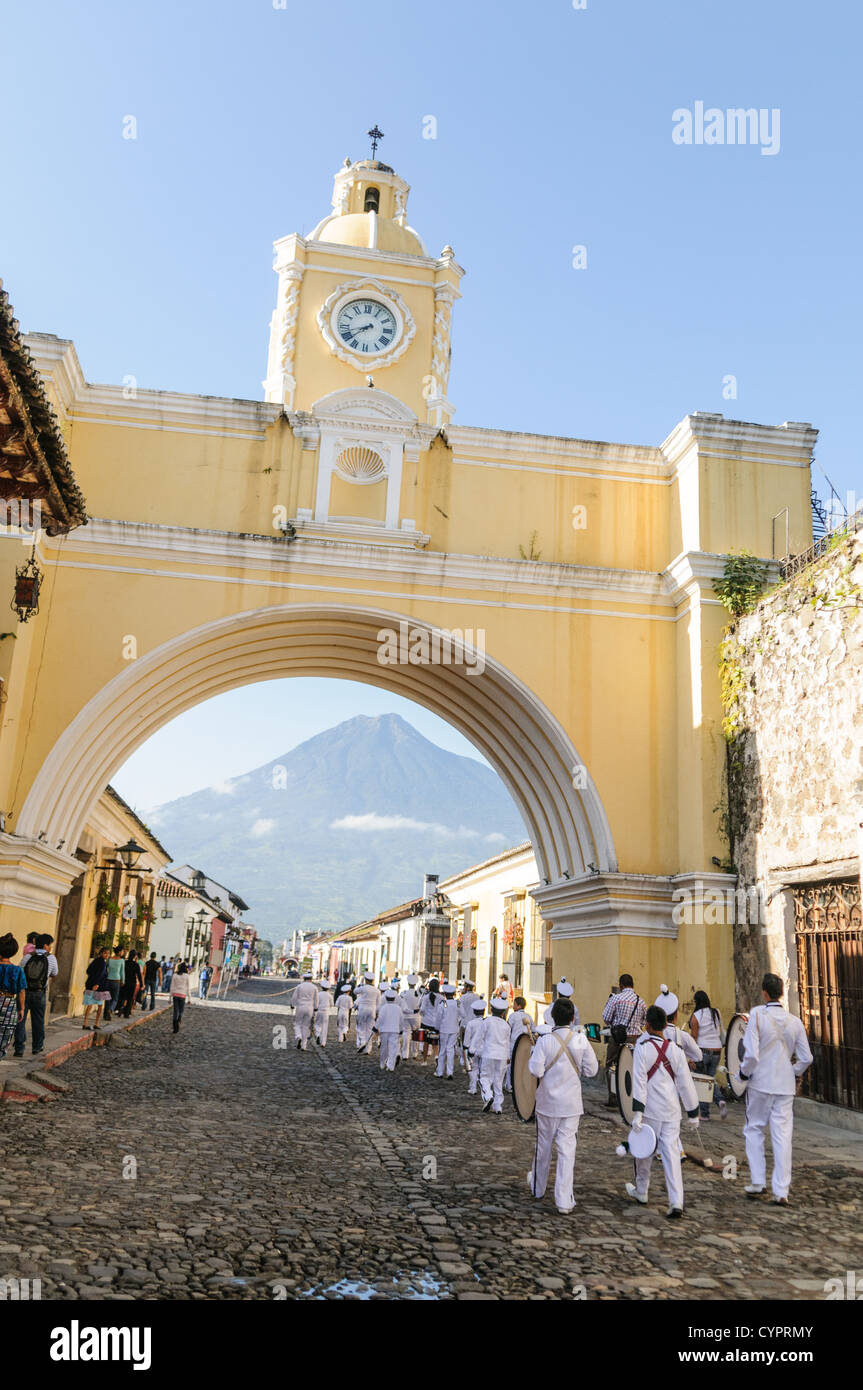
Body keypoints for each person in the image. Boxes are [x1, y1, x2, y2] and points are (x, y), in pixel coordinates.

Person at [739, 972, 813, 1206]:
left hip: (760, 1082)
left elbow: (751, 1053)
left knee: (754, 1129)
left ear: (764, 992)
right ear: (781, 992)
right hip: (784, 1086)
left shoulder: (758, 1015)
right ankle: (781, 1190)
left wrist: (743, 1073)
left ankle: (758, 1181)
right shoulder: (795, 1021)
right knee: (782, 1137)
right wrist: (793, 1072)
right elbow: (806, 1057)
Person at [625, 1004, 700, 1219]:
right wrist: (692, 1112)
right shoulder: (675, 1051)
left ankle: (642, 1190)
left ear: (647, 1025)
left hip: (650, 1109)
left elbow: (639, 1079)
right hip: (672, 1111)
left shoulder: (642, 1047)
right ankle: (676, 1201)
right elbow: (685, 1083)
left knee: (643, 1152)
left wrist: (637, 1111)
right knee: (671, 1155)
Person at [527, 998, 599, 1213]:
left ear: (551, 1018)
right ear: (572, 1018)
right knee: (567, 1151)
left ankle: (538, 1189)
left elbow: (535, 1071)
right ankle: (564, 1201)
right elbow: (592, 1071)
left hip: (547, 1103)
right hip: (570, 1105)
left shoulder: (545, 1041)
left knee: (544, 1148)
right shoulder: (579, 1040)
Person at [601, 974, 646, 1108]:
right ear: (633, 985)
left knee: (611, 1066)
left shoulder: (616, 999)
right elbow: (644, 1021)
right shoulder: (641, 1001)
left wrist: (616, 1023)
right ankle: (631, 1097)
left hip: (617, 1038)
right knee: (633, 1067)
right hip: (635, 1039)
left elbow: (606, 1017)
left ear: (621, 985)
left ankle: (613, 1098)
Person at [13, 932, 58, 1057]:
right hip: (40, 993)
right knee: (38, 1020)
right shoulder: (51, 958)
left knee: (20, 1020)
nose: (50, 947)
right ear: (45, 945)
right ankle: (37, 1046)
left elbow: (19, 971)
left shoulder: (28, 957)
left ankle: (19, 1048)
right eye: (50, 945)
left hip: (25, 992)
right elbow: (55, 973)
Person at [689, 989, 727, 1119]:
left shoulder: (696, 1016)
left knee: (703, 1081)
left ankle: (705, 1113)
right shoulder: (716, 1012)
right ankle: (720, 1101)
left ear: (696, 1002)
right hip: (717, 1050)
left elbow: (694, 1037)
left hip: (703, 1051)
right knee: (710, 1079)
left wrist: (690, 1055)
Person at [478, 996, 510, 1114]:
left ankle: (488, 1096)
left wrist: (472, 1049)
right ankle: (498, 1106)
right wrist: (508, 1056)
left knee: (484, 1077)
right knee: (498, 1080)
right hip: (502, 1055)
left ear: (491, 1010)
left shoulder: (487, 1022)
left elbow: (479, 1037)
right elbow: (507, 1042)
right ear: (503, 1013)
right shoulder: (506, 1025)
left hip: (489, 1053)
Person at [0, 935, 26, 1062]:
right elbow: (21, 991)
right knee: (4, 1036)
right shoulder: (17, 970)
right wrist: (22, 1009)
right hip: (9, 1006)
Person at [434, 983, 460, 1079]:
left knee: (442, 1050)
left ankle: (440, 1072)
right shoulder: (457, 1003)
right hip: (454, 1029)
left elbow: (439, 1017)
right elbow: (463, 1014)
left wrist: (437, 1027)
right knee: (450, 1050)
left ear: (444, 993)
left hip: (444, 1029)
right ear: (453, 994)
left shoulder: (443, 1004)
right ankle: (450, 1072)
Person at [82, 947, 111, 1031]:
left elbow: (88, 971)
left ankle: (85, 1023)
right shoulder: (102, 963)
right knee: (100, 1006)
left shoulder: (95, 961)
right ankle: (96, 1023)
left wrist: (92, 980)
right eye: (105, 953)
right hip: (99, 986)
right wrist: (97, 983)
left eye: (108, 953)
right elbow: (101, 974)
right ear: (101, 953)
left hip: (91, 985)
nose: (107, 955)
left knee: (90, 1005)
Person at [463, 995, 486, 1095]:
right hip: (485, 1049)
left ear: (474, 1012)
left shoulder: (470, 1023)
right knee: (483, 1070)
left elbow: (466, 1040)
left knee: (473, 1069)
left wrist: (465, 1048)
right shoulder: (487, 1022)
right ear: (484, 1012)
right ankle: (484, 1088)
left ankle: (473, 1088)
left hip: (473, 1049)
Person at [375, 988, 402, 1072]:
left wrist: (376, 1027)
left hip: (384, 1030)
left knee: (384, 1048)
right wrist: (401, 1029)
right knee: (393, 1048)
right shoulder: (398, 1008)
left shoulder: (384, 1007)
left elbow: (380, 1018)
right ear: (394, 998)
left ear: (386, 998)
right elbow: (401, 1020)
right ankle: (391, 1065)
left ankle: (382, 1063)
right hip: (395, 1030)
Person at [354, 973, 381, 1054]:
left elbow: (355, 991)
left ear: (366, 979)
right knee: (369, 1029)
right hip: (372, 1010)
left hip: (363, 1008)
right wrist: (376, 1014)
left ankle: (362, 1042)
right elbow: (378, 1004)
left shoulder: (363, 988)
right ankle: (368, 1049)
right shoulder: (377, 990)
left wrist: (361, 984)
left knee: (360, 1027)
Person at [292, 971, 318, 1051]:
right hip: (309, 1008)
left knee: (297, 1023)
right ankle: (304, 1046)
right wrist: (316, 1008)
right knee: (306, 1026)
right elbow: (316, 999)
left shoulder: (299, 986)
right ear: (311, 979)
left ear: (304, 978)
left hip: (300, 1007)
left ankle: (298, 1036)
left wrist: (292, 1005)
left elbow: (294, 997)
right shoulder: (314, 987)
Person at [418, 977, 441, 1066]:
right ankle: (436, 1057)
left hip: (426, 1022)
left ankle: (424, 1061)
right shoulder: (442, 997)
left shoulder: (426, 997)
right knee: (435, 1042)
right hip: (436, 1023)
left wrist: (422, 1014)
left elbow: (422, 1010)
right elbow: (445, 1007)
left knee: (426, 1043)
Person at [399, 973, 421, 1060]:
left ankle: (405, 1054)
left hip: (406, 1016)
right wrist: (415, 1010)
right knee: (415, 1034)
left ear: (408, 983)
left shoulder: (403, 993)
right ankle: (415, 1053)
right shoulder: (419, 994)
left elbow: (403, 1008)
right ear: (415, 984)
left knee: (406, 1034)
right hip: (416, 1017)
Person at [117, 949, 143, 1019]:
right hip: (132, 983)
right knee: (130, 998)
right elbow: (139, 975)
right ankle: (126, 1013)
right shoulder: (136, 965)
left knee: (123, 997)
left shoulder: (125, 962)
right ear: (135, 956)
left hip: (125, 982)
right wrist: (141, 984)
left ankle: (120, 1009)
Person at [170, 961, 192, 1034]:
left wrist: (169, 997)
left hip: (175, 995)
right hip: (182, 995)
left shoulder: (175, 975)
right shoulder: (187, 976)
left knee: (175, 1011)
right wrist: (189, 999)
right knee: (181, 1011)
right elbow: (188, 988)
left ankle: (175, 1027)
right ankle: (179, 1020)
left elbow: (172, 986)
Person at [106, 948, 125, 1020]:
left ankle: (106, 1014)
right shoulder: (121, 960)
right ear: (119, 952)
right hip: (116, 980)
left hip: (108, 979)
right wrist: (123, 981)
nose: (123, 953)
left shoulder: (109, 959)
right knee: (115, 998)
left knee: (107, 998)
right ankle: (110, 1010)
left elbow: (106, 967)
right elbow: (122, 972)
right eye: (122, 951)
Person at [314, 980, 332, 1047]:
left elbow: (315, 1003)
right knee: (325, 1027)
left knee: (318, 1024)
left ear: (321, 987)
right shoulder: (329, 995)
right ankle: (323, 1042)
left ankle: (318, 1035)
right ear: (328, 988)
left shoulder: (318, 994)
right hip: (326, 1012)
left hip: (319, 1011)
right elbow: (332, 1004)